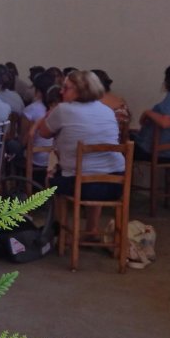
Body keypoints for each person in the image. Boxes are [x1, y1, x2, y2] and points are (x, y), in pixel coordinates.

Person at [38, 70, 125, 235]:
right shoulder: (107, 110)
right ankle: (91, 229)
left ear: (81, 90)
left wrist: (50, 114)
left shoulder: (63, 110)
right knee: (97, 170)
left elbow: (43, 132)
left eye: (66, 88)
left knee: (51, 177)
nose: (61, 91)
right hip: (116, 183)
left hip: (82, 185)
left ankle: (58, 229)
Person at [19, 72, 60, 184]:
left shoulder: (31, 110)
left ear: (37, 90)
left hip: (36, 159)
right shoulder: (62, 110)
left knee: (14, 147)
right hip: (57, 159)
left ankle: (19, 184)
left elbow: (24, 141)